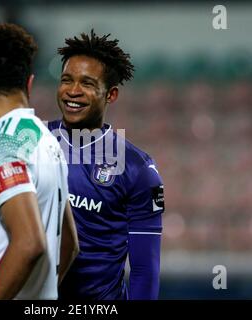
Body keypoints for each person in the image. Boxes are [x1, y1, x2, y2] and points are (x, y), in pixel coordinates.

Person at [48, 30, 164, 300]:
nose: (73, 91)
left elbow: (145, 270)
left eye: (87, 83)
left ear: (110, 95)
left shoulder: (139, 170)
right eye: (67, 80)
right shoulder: (33, 144)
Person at [0, 23, 79, 300]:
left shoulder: (0, 146)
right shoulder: (49, 142)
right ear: (29, 82)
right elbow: (70, 245)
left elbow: (29, 243)